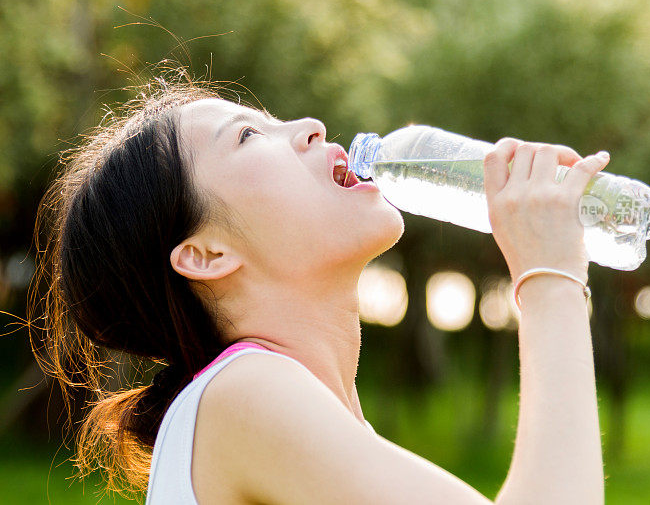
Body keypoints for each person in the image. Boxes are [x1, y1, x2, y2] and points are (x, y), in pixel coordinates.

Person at [29, 78, 608, 504]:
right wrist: (551, 277)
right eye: (249, 135)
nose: (309, 126)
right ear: (206, 254)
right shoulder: (241, 395)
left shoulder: (307, 422)